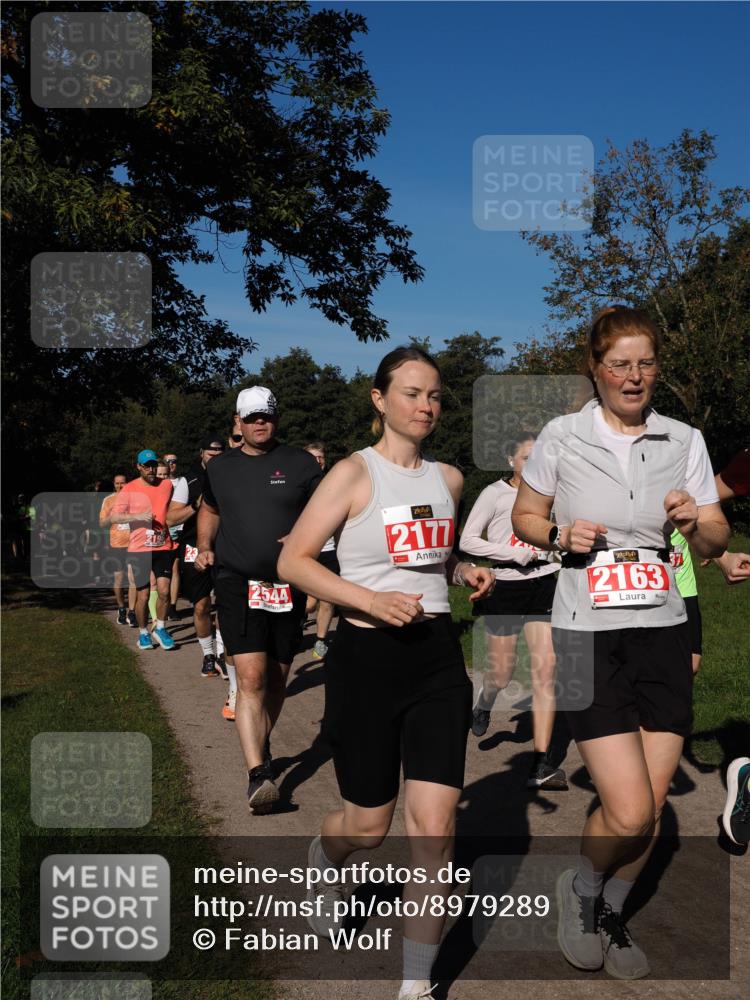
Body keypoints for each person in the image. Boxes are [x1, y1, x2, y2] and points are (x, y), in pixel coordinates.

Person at [511, 306, 729, 980]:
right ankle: (578, 892)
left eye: (646, 363)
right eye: (621, 365)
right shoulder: (561, 435)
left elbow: (717, 538)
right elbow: (525, 514)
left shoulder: (684, 440)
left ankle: (611, 906)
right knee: (630, 807)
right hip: (584, 634)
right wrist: (555, 536)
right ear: (596, 370)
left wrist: (698, 521)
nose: (634, 377)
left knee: (653, 807)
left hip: (662, 630)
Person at [278, 347, 494, 1000]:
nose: (425, 405)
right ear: (379, 400)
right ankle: (327, 858)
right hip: (367, 661)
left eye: (434, 395)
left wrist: (460, 571)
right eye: (411, 393)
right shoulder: (351, 474)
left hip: (435, 662)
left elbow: (432, 556)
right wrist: (369, 601)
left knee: (435, 832)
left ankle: (415, 988)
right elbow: (294, 560)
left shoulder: (450, 479)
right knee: (369, 827)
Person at [195, 387, 323, 813]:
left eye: (266, 416)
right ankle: (257, 775)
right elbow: (210, 510)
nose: (259, 423)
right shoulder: (221, 468)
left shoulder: (300, 463)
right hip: (237, 581)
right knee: (250, 678)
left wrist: (307, 536)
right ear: (237, 422)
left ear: (276, 418)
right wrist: (204, 545)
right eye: (251, 418)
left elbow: (327, 510)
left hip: (288, 581)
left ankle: (260, 744)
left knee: (278, 678)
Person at [459, 433, 566, 789]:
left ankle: (541, 763)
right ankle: (484, 703)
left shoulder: (555, 493)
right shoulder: (495, 494)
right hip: (506, 584)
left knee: (545, 671)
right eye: (526, 458)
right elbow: (468, 540)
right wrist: (512, 553)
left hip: (546, 582)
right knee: (501, 675)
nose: (533, 466)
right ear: (510, 461)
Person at [167, 436, 225, 677]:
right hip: (194, 546)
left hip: (225, 545)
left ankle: (223, 653)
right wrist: (195, 506)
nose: (215, 458)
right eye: (210, 454)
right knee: (201, 605)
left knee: (225, 602)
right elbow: (170, 518)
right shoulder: (187, 481)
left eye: (219, 454)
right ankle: (208, 654)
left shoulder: (230, 475)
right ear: (201, 453)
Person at [110, 449, 177, 651]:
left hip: (163, 545)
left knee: (165, 592)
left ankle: (161, 627)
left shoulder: (166, 485)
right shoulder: (129, 489)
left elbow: (171, 510)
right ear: (138, 466)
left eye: (153, 465)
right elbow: (115, 518)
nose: (151, 469)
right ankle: (143, 633)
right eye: (146, 466)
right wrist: (137, 517)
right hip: (139, 548)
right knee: (144, 595)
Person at [303, 442, 339, 659]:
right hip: (306, 550)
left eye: (320, 457)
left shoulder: (334, 484)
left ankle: (321, 641)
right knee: (308, 604)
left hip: (329, 548)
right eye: (312, 457)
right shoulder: (296, 484)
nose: (317, 461)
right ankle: (299, 620)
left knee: (327, 598)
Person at [99, 471, 137, 626]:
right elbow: (102, 523)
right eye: (117, 483)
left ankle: (132, 611)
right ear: (114, 485)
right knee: (119, 579)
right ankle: (121, 608)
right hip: (116, 544)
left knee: (134, 578)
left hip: (134, 543)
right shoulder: (108, 500)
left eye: (123, 482)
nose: (120, 485)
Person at [163, 452, 182, 619]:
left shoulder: (182, 482)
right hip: (160, 532)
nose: (171, 464)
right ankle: (160, 603)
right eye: (168, 462)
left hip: (178, 530)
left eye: (174, 461)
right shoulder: (157, 483)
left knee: (175, 569)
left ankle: (173, 607)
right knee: (160, 571)